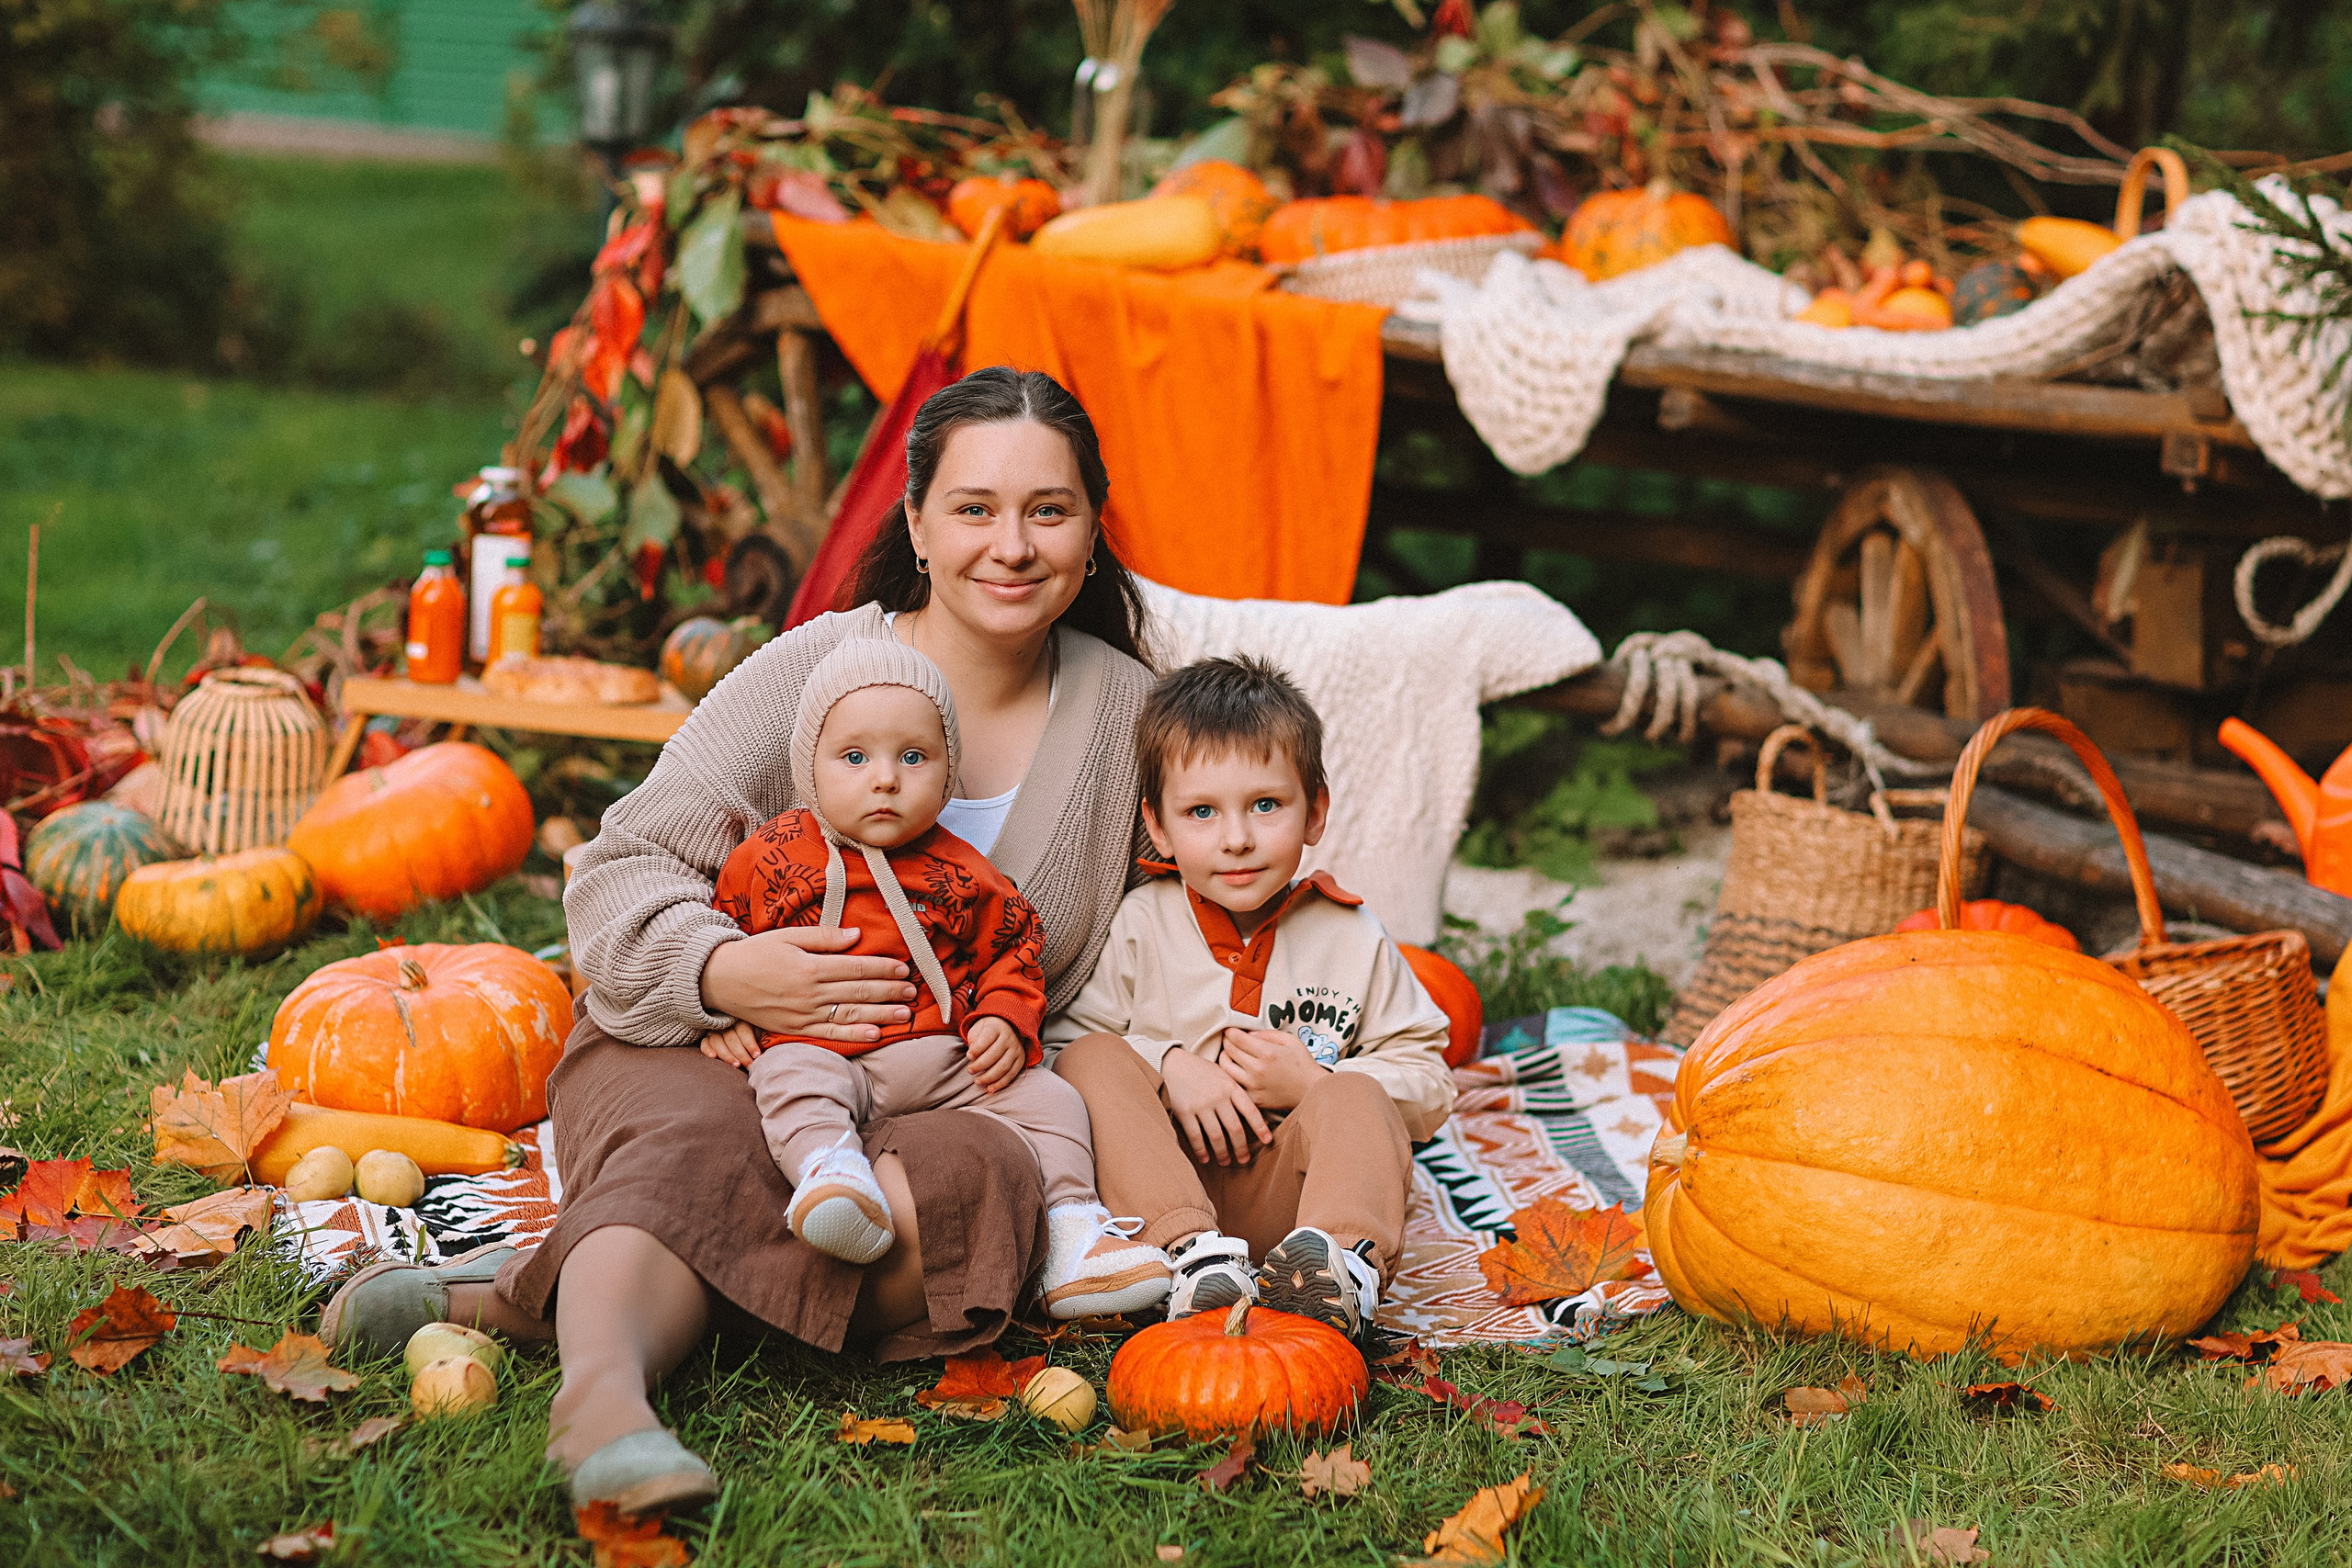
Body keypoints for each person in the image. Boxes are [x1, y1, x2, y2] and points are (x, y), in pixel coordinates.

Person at [318, 367, 1158, 1516]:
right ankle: (602, 1408)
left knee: (981, 1189)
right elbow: (622, 868)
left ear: (1092, 526)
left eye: (1047, 511)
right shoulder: (811, 674)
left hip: (944, 1088)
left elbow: (1175, 919)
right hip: (714, 1050)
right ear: (914, 523)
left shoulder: (1126, 714)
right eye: (974, 508)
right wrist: (724, 973)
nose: (1011, 546)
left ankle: (519, 1302)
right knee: (709, 1146)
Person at [701, 636, 1170, 1316]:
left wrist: (1007, 1019)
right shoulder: (770, 855)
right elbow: (725, 931)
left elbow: (1013, 946)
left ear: (949, 770)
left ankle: (1075, 1230)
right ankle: (831, 1176)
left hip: (942, 1060)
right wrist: (726, 1012)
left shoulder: (958, 869)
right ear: (810, 765)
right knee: (789, 1081)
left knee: (1051, 1100)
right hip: (818, 1048)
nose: (885, 778)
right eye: (855, 757)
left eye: (913, 757)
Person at [1048, 656, 1456, 1342]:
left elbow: (1431, 1078)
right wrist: (1171, 1065)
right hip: (1161, 1189)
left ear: (1315, 811)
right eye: (1201, 812)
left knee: (1356, 1093)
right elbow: (1061, 1054)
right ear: (1158, 826)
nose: (1236, 837)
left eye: (1265, 805)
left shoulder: (1350, 934)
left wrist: (1315, 1082)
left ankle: (1335, 1270)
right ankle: (1189, 1259)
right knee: (1091, 1055)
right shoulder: (1140, 924)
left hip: (1292, 1204)